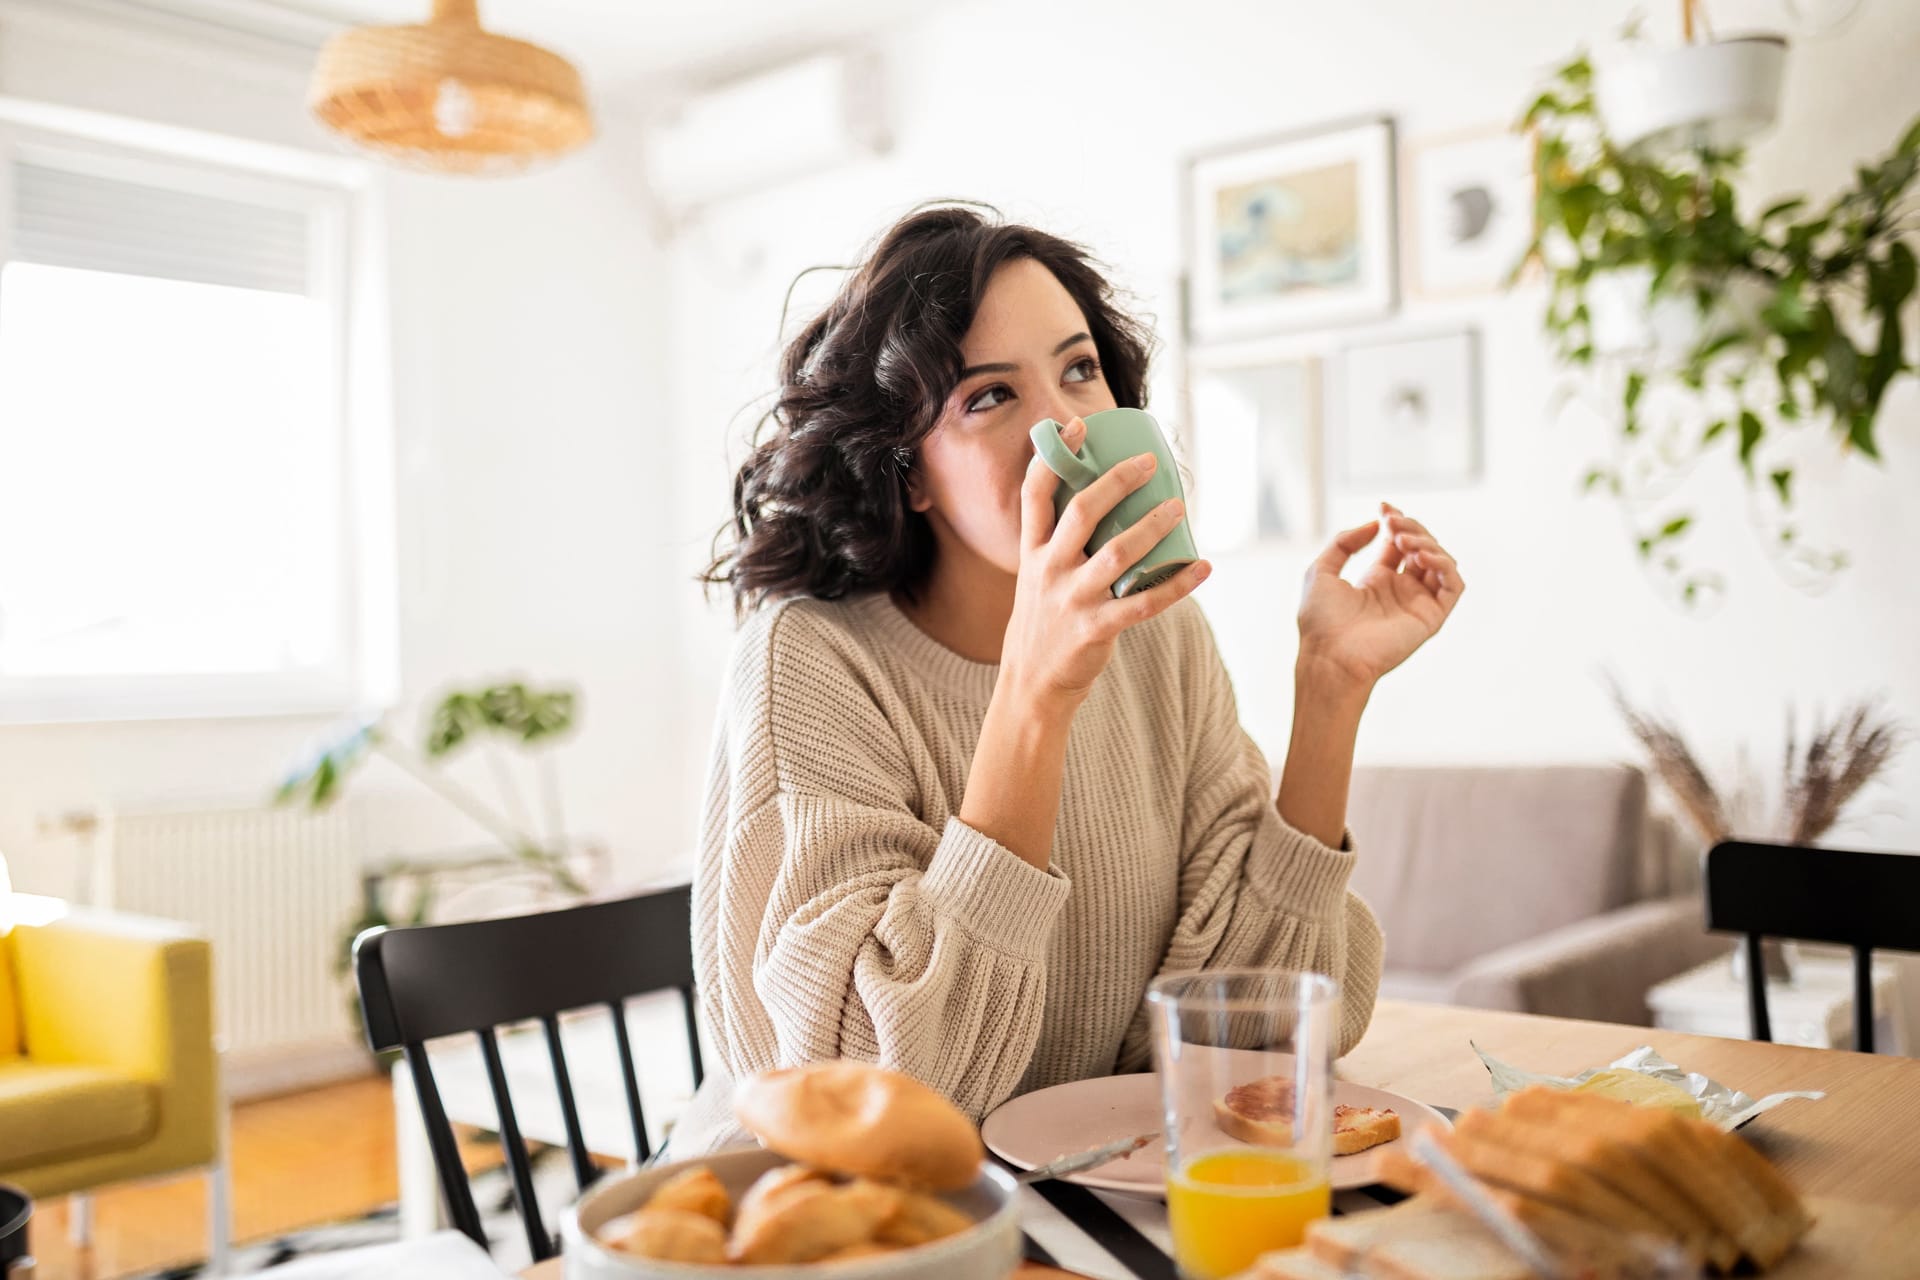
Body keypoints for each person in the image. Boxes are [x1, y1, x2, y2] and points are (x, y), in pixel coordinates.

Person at [674, 205, 1464, 1154]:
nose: (1066, 426)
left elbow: (1254, 1044)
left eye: (1080, 370)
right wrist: (1034, 696)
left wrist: (1330, 690)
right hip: (831, 1227)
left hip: (1081, 1195)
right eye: (988, 397)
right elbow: (878, 1100)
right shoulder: (807, 661)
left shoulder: (1160, 634)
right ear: (910, 474)